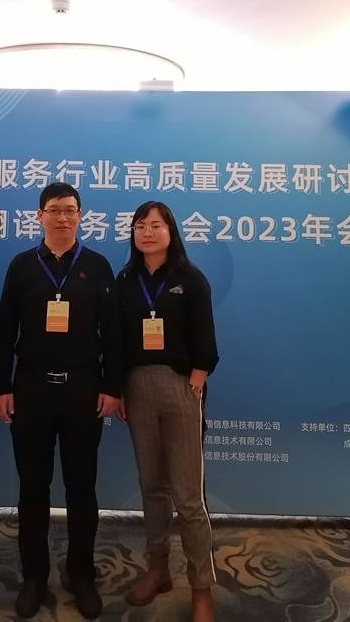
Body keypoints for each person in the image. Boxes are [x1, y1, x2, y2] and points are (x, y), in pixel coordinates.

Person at [0, 182, 121, 619]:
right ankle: (34, 576)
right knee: (33, 487)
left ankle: (81, 573)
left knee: (82, 487)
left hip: (84, 389)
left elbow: (114, 332)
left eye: (70, 210)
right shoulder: (22, 265)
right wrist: (1, 387)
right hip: (31, 389)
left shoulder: (98, 266)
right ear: (39, 216)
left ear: (81, 216)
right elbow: (4, 330)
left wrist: (111, 387)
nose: (62, 217)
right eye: (54, 210)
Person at [116, 201, 218, 622]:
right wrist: (119, 389)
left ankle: (201, 588)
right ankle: (157, 569)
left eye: (155, 225)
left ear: (171, 232)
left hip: (181, 386)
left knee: (188, 497)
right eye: (140, 225)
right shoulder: (125, 280)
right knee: (152, 487)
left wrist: (195, 382)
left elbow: (206, 340)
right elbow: (117, 340)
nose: (147, 232)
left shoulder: (191, 279)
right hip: (137, 386)